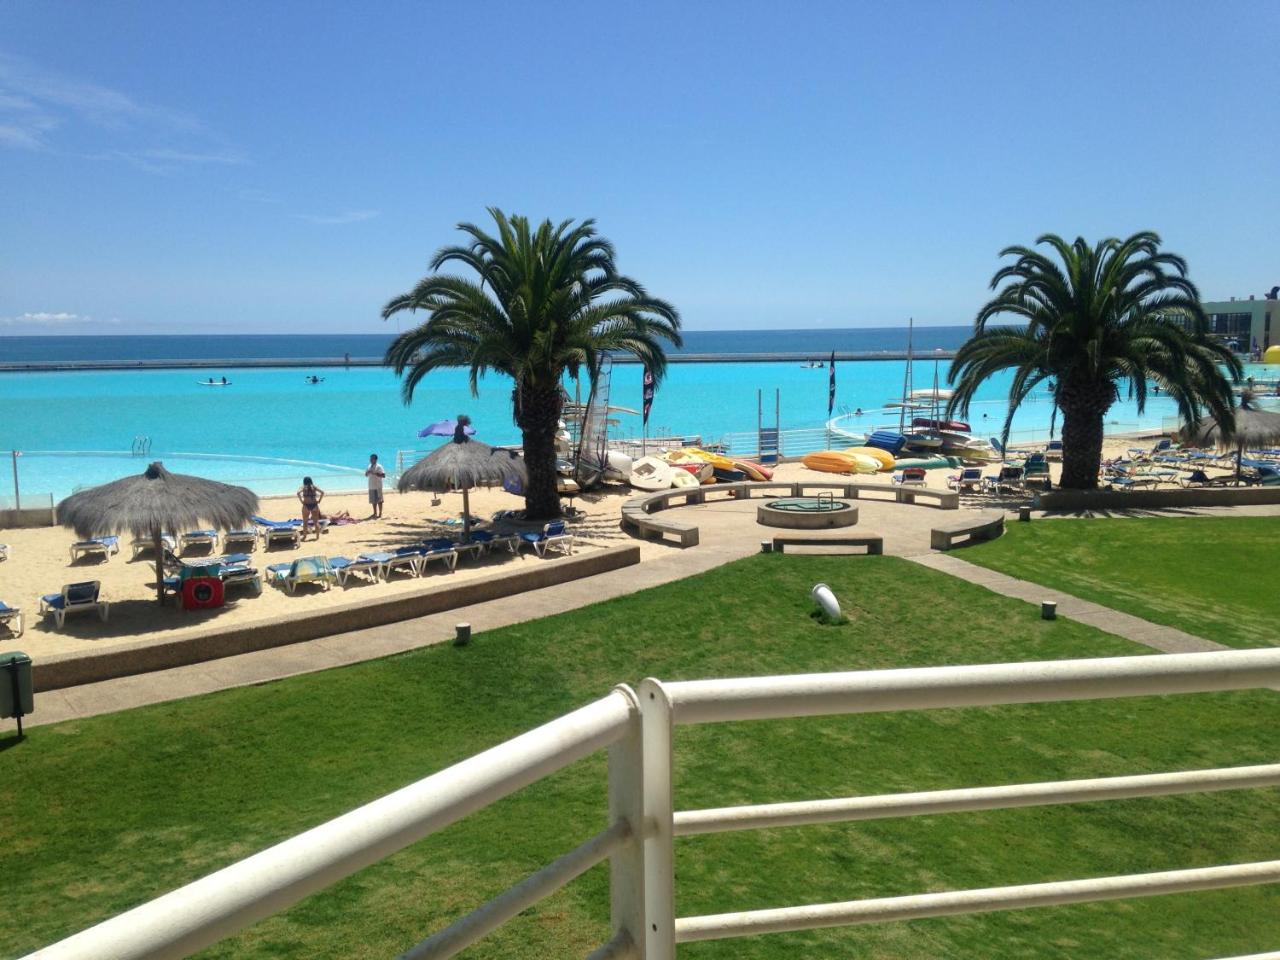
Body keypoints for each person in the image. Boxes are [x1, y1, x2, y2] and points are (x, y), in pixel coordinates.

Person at [297, 476, 325, 540]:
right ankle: (317, 537)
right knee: (316, 522)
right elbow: (322, 492)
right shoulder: (314, 487)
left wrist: (301, 501)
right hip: (314, 505)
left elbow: (298, 493)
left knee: (305, 522)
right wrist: (319, 500)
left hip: (306, 505)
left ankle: (304, 537)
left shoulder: (303, 487)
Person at [365, 453, 386, 519]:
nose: (370, 460)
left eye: (372, 459)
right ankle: (374, 513)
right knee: (373, 501)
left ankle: (380, 513)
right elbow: (366, 475)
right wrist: (367, 472)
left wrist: (375, 473)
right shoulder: (369, 466)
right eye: (370, 459)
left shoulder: (379, 466)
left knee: (379, 500)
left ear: (375, 459)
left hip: (378, 486)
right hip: (371, 486)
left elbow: (383, 475)